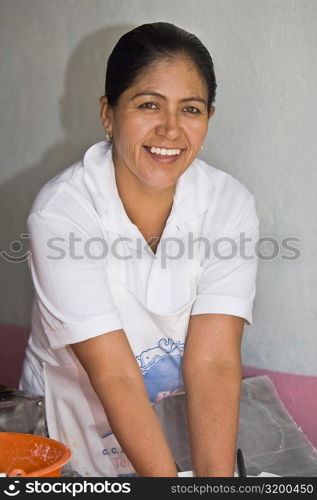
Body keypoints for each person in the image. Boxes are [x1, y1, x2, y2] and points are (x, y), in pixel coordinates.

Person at [19, 22, 259, 477]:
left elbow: (214, 362)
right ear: (108, 114)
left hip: (166, 426)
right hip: (70, 436)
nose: (170, 129)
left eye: (190, 109)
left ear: (209, 117)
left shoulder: (229, 205)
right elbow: (116, 375)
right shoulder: (62, 214)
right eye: (148, 104)